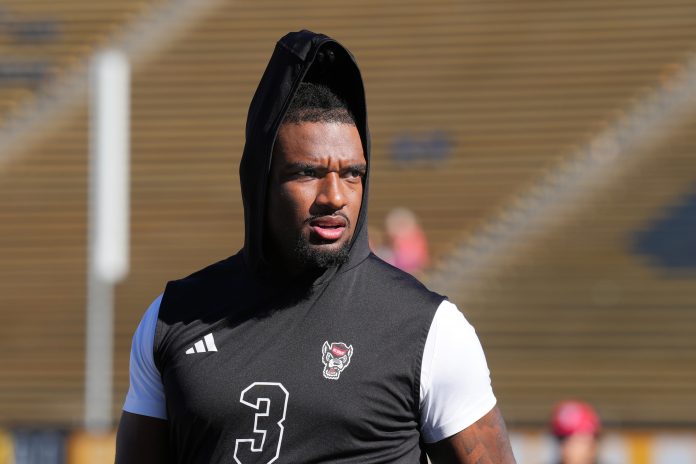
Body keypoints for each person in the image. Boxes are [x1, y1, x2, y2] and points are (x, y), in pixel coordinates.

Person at [115, 30, 516, 464]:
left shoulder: (430, 329)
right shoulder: (172, 317)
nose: (335, 196)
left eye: (352, 174)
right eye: (308, 173)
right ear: (261, 180)